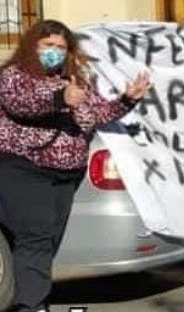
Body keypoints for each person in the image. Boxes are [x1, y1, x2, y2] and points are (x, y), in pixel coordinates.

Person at [0, 20, 150, 312]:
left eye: (60, 47)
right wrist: (60, 98)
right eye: (48, 46)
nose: (54, 52)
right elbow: (22, 103)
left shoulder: (74, 81)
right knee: (36, 238)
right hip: (26, 170)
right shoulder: (14, 76)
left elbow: (98, 113)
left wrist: (127, 100)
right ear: (33, 46)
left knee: (47, 241)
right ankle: (30, 306)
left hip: (66, 175)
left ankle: (30, 296)